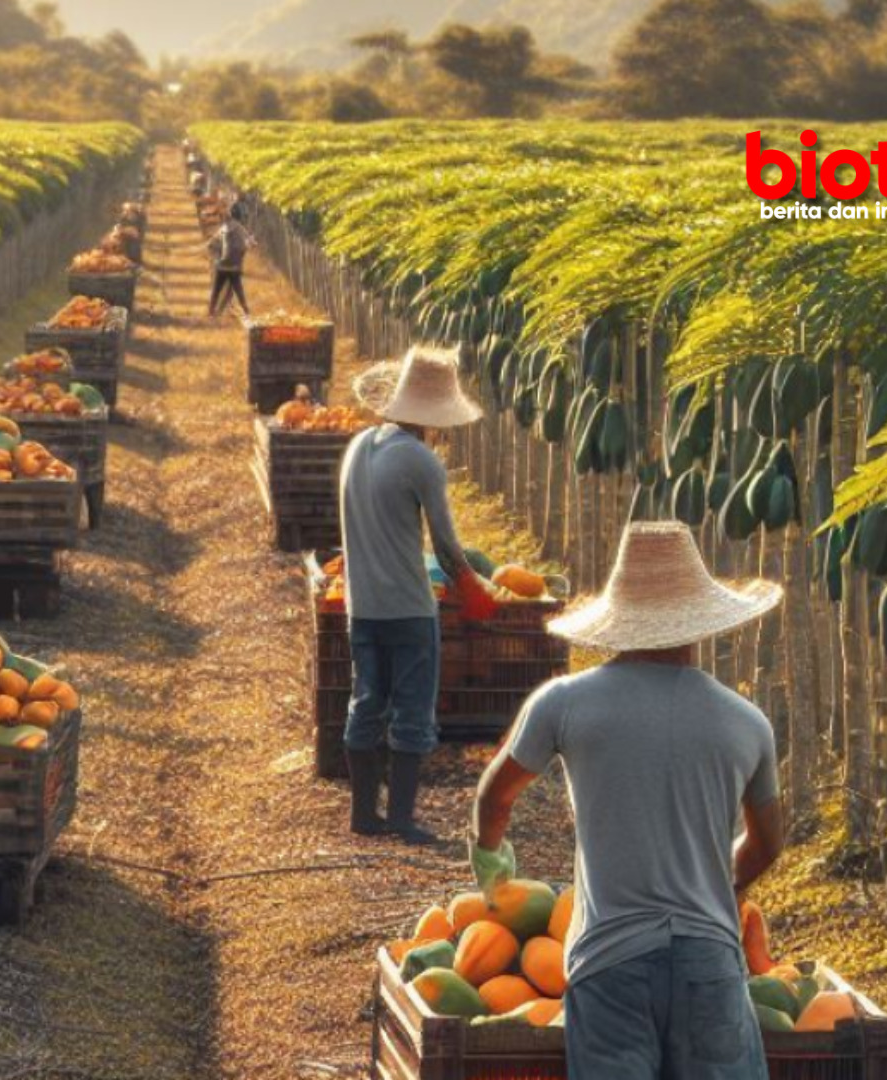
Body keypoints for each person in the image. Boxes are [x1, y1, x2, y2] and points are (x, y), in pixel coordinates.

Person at [470, 522, 789, 1080]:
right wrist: (717, 885)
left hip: (609, 961)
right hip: (708, 961)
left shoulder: (565, 703)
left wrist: (491, 865)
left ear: (618, 620)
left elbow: (495, 798)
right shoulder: (746, 724)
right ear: (702, 623)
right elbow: (768, 844)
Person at [337, 347, 499, 842]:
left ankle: (363, 815)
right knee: (412, 712)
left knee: (366, 703)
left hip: (360, 605)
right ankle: (404, 819)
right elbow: (448, 548)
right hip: (409, 607)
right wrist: (475, 590)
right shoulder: (422, 461)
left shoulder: (358, 446)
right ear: (433, 416)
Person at [207, 200, 254, 318]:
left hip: (221, 266)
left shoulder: (223, 228)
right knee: (239, 291)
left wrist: (217, 256)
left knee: (216, 290)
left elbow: (212, 244)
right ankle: (246, 311)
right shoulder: (240, 228)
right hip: (235, 267)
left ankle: (211, 312)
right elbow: (249, 243)